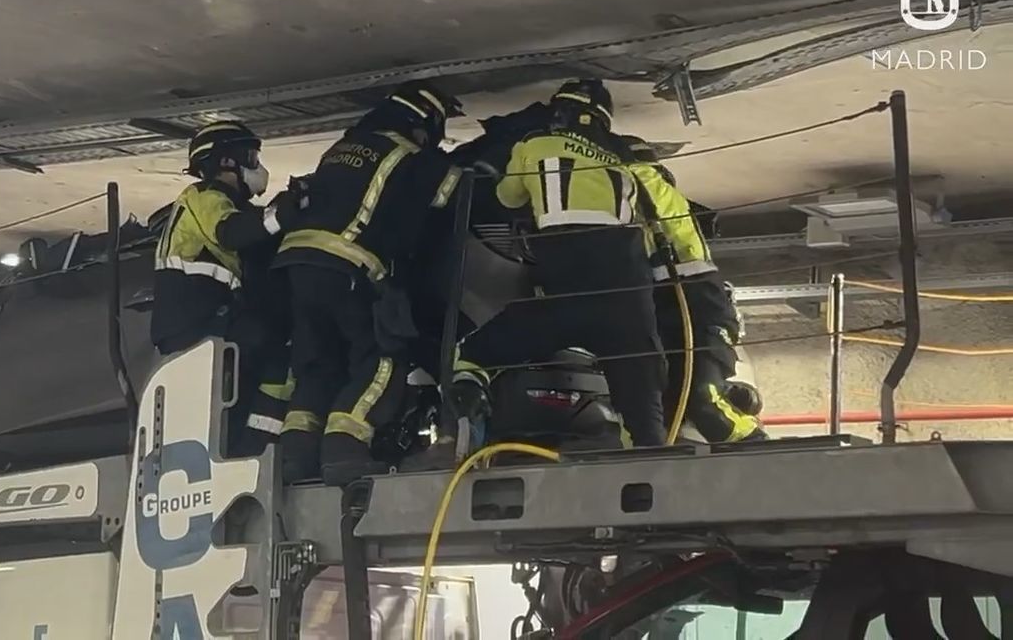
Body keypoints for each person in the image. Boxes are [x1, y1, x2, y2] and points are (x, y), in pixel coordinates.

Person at [448, 80, 669, 450]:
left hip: (566, 296)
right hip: (628, 301)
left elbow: (507, 197)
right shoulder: (622, 158)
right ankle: (652, 465)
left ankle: (469, 403)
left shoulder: (535, 144)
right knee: (644, 413)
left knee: (473, 354)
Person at [273, 80, 466, 485]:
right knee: (380, 362)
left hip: (296, 267)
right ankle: (345, 453)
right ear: (422, 126)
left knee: (317, 366)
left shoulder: (340, 150)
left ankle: (296, 458)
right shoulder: (411, 156)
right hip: (349, 269)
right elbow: (455, 193)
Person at [150, 121, 307, 456]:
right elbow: (232, 233)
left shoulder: (230, 204)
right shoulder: (203, 198)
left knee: (270, 355)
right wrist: (281, 215)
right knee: (273, 349)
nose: (258, 166)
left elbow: (257, 238)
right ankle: (253, 446)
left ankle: (251, 446)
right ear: (225, 162)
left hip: (207, 323)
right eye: (250, 157)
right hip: (195, 324)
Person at [622, 135, 765, 442]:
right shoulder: (655, 197)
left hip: (686, 305)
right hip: (688, 307)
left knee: (683, 407)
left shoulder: (653, 194)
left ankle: (753, 442)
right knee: (692, 403)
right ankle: (753, 442)